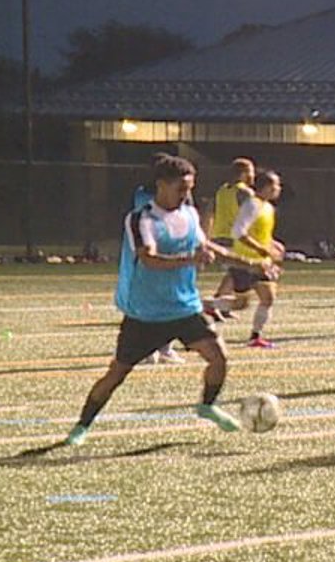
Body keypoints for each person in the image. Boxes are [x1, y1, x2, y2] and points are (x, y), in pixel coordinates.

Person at [65, 155, 270, 446]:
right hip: (146, 313)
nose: (186, 195)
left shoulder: (188, 214)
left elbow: (206, 246)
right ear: (161, 185)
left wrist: (250, 263)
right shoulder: (141, 218)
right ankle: (82, 426)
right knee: (117, 374)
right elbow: (148, 258)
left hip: (184, 308)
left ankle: (207, 405)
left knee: (219, 358)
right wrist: (191, 259)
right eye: (181, 189)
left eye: (190, 188)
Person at [216, 169, 283, 349]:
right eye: (276, 185)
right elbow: (238, 232)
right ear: (266, 187)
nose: (279, 188)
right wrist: (261, 249)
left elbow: (260, 233)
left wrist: (273, 244)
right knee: (240, 304)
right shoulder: (252, 204)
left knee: (268, 297)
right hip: (245, 262)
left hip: (261, 262)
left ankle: (256, 336)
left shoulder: (268, 207)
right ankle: (205, 306)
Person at [131, 153, 185, 364]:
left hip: (169, 250)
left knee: (171, 302)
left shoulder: (146, 192)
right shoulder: (146, 195)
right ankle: (150, 349)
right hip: (157, 252)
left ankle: (164, 348)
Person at [205, 157, 255, 317]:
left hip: (219, 236)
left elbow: (210, 212)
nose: (253, 176)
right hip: (236, 239)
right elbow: (253, 216)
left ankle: (221, 306)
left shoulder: (222, 190)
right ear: (243, 173)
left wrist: (207, 235)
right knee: (245, 271)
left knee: (234, 272)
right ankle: (213, 303)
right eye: (251, 172)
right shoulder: (244, 192)